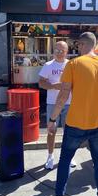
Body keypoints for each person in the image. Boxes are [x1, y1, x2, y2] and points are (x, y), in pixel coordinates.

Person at [46, 32, 98, 196]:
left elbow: (62, 96)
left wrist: (52, 119)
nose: (77, 48)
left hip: (76, 123)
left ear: (83, 45)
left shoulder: (74, 64)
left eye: (78, 45)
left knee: (65, 160)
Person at [38, 41, 76, 170]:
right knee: (51, 131)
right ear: (54, 51)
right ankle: (50, 156)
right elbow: (41, 83)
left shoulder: (71, 65)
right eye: (57, 50)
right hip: (52, 103)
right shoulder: (48, 65)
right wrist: (53, 86)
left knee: (69, 132)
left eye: (62, 51)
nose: (59, 53)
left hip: (69, 103)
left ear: (67, 52)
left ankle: (68, 157)